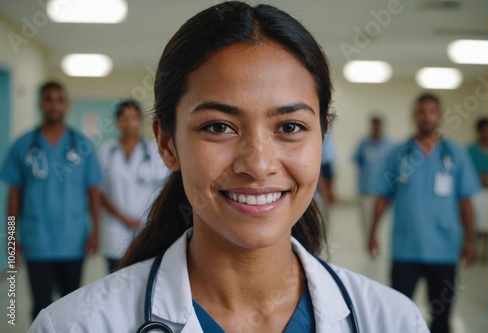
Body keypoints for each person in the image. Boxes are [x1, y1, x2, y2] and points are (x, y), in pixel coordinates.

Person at [29, 3, 429, 332]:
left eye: (290, 127)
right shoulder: (73, 325)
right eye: (219, 127)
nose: (258, 164)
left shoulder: (394, 321)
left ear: (322, 139)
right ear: (167, 144)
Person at [368, 93, 480, 333]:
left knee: (441, 317)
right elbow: (382, 196)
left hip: (444, 249)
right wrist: (372, 232)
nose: (426, 117)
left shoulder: (454, 155)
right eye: (422, 111)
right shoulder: (399, 154)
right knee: (398, 314)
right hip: (406, 247)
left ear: (439, 116)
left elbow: (466, 202)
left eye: (432, 112)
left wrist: (471, 240)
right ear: (414, 116)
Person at [0, 81, 103, 321]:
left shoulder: (83, 145)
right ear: (40, 103)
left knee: (71, 306)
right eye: (48, 99)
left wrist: (96, 231)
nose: (54, 105)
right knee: (40, 307)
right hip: (38, 241)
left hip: (73, 238)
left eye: (59, 99)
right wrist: (11, 237)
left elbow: (93, 192)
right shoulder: (23, 145)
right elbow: (14, 195)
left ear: (66, 105)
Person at [99, 100, 170, 273]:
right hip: (115, 226)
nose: (129, 122)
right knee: (114, 276)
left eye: (133, 117)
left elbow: (166, 187)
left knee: (142, 276)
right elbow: (99, 192)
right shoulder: (106, 151)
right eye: (124, 117)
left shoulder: (154, 151)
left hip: (146, 226)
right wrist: (123, 217)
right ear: (117, 121)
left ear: (140, 121)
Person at [352, 116, 393, 241]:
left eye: (378, 125)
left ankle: (379, 244)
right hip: (366, 190)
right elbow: (358, 163)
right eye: (374, 125)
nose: (376, 128)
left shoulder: (389, 146)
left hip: (383, 192)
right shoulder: (363, 144)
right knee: (366, 221)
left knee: (382, 223)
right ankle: (369, 245)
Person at [467, 117, 488, 262]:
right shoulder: (470, 151)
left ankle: (487, 252)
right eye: (485, 131)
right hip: (476, 193)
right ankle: (473, 248)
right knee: (476, 221)